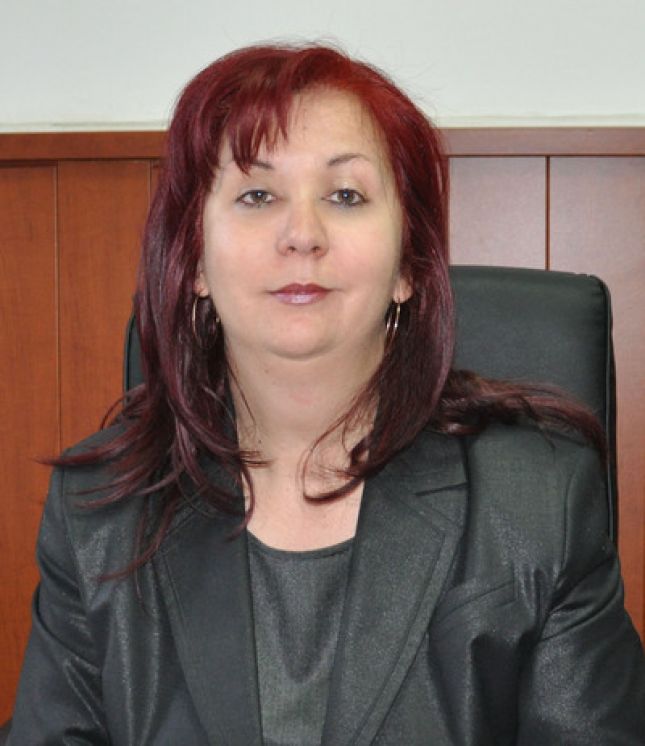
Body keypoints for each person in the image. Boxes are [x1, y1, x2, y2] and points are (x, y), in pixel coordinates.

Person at [8, 43, 645, 745]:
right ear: (194, 261)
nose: (302, 235)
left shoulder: (537, 502)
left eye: (345, 195)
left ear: (407, 265)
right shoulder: (100, 513)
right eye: (257, 195)